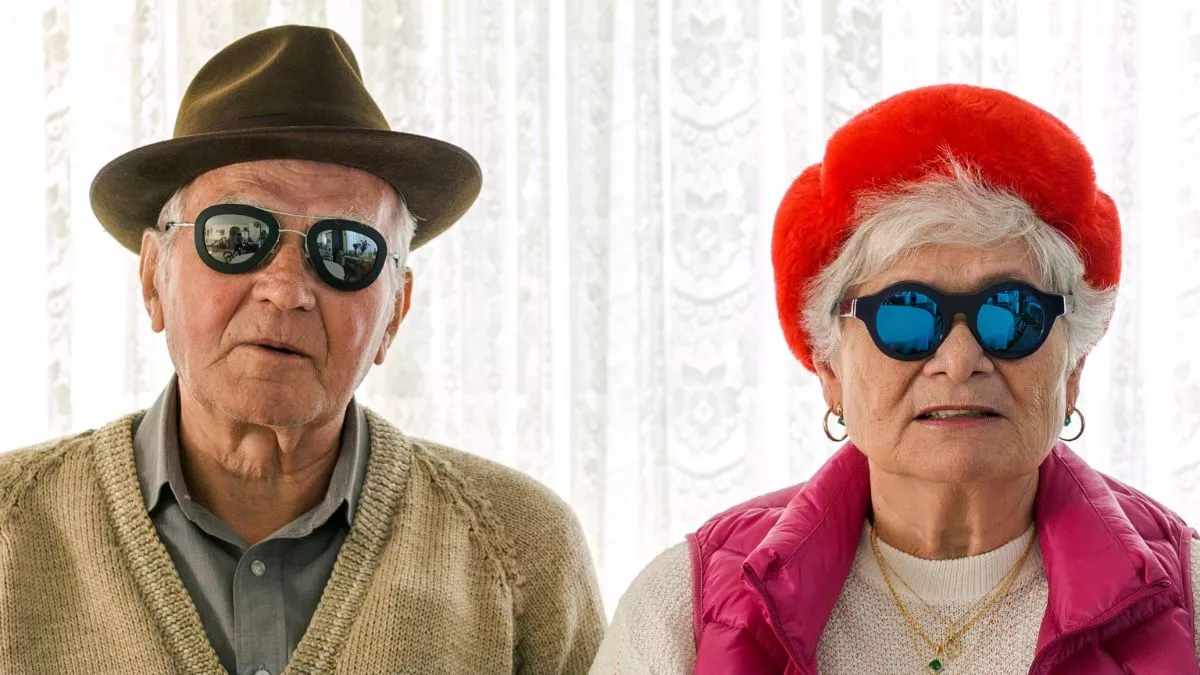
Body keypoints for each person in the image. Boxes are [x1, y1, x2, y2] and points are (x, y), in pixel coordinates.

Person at [0, 25, 603, 674]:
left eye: (346, 249)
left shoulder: (523, 555)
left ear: (394, 311)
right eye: (237, 235)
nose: (287, 290)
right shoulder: (11, 532)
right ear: (154, 277)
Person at [591, 85, 1200, 674]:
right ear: (829, 367)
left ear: (1072, 367)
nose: (959, 359)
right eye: (908, 315)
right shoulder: (689, 609)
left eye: (1011, 313)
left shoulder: (1187, 599)